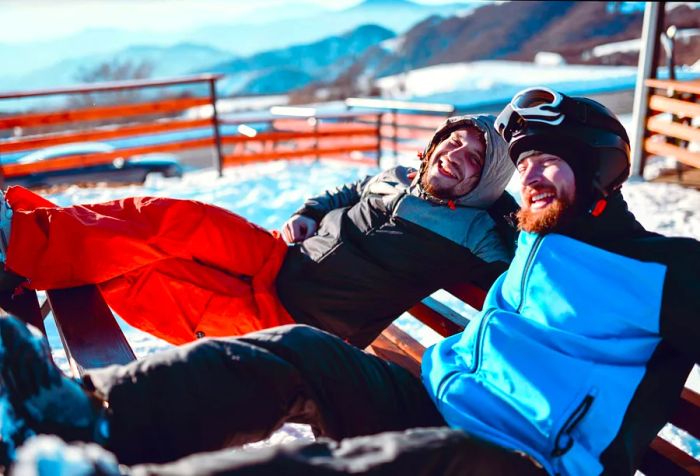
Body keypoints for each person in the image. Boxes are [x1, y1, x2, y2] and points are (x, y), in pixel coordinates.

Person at [4, 87, 696, 476]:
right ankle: (81, 416)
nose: (533, 176)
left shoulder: (665, 270)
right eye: (528, 164)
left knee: (399, 462)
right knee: (298, 353)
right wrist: (309, 212)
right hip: (427, 392)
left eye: (552, 163)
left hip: (519, 459)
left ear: (603, 175)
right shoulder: (529, 237)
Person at [0, 115, 517, 347]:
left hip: (292, 318)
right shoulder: (399, 175)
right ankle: (21, 233)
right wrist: (310, 210)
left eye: (474, 160)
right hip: (276, 254)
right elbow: (347, 190)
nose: (456, 157)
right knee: (170, 215)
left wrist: (520, 202)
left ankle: (22, 254)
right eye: (454, 143)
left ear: (484, 185)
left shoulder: (475, 230)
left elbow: (524, 261)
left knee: (138, 277)